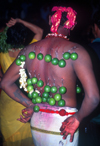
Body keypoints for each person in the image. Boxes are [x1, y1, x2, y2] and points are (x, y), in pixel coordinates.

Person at [1, 6, 100, 146]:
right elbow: (93, 98)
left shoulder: (28, 50)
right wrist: (78, 117)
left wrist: (30, 104)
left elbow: (5, 83)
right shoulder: (76, 51)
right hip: (65, 123)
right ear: (73, 23)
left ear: (49, 20)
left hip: (38, 119)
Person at [0, 18, 43, 146]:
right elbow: (39, 31)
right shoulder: (29, 51)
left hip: (7, 99)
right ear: (24, 38)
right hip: (27, 98)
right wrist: (20, 21)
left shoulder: (2, 53)